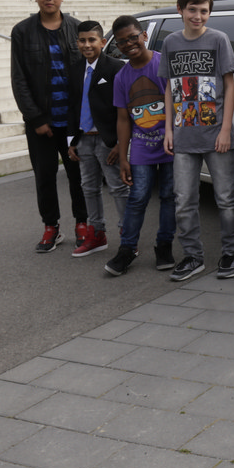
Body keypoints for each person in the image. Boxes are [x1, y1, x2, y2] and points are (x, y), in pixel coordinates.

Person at [160, 0, 234, 282]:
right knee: (184, 201)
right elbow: (169, 89)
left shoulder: (218, 39)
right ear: (180, 10)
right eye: (192, 9)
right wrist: (168, 130)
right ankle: (192, 256)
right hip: (183, 137)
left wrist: (225, 130)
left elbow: (229, 86)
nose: (198, 15)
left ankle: (232, 253)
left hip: (217, 135)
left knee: (227, 199)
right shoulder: (170, 42)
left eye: (204, 11)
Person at [10, 0, 87, 253]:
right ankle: (51, 227)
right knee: (44, 177)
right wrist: (36, 118)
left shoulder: (77, 29)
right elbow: (19, 79)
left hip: (72, 124)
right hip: (41, 124)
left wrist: (83, 120)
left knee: (78, 177)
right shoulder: (22, 31)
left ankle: (83, 224)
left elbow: (85, 76)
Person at [104, 16, 176, 276]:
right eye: (122, 42)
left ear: (144, 35)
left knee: (169, 196)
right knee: (137, 198)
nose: (129, 44)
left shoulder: (163, 64)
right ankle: (127, 249)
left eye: (133, 37)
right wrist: (124, 157)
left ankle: (164, 246)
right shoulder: (122, 77)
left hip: (170, 145)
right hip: (142, 149)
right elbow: (123, 119)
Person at [66, 21, 129, 258]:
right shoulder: (74, 69)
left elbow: (124, 108)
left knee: (118, 187)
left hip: (108, 140)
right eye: (82, 40)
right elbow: (72, 105)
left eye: (92, 40)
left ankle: (128, 236)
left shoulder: (116, 68)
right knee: (89, 188)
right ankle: (97, 233)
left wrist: (120, 143)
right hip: (84, 139)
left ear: (102, 42)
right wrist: (72, 140)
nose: (87, 45)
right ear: (77, 43)